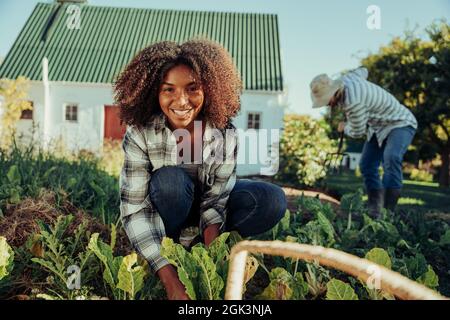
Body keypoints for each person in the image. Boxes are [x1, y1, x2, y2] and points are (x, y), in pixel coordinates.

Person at [115, 39, 287, 300]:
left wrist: (210, 266)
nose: (181, 100)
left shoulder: (223, 132)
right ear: (153, 92)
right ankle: (171, 251)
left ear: (210, 88)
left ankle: (198, 246)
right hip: (166, 215)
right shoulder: (141, 134)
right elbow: (135, 209)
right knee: (170, 181)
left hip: (206, 212)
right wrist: (172, 281)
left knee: (272, 200)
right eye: (168, 90)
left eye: (192, 88)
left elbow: (216, 201)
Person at [310, 67, 417, 217]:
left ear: (333, 93)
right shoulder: (348, 78)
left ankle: (387, 212)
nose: (328, 105)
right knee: (367, 164)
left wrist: (344, 127)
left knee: (391, 157)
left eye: (327, 102)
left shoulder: (353, 103)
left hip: (400, 122)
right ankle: (374, 208)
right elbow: (364, 70)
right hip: (378, 126)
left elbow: (357, 131)